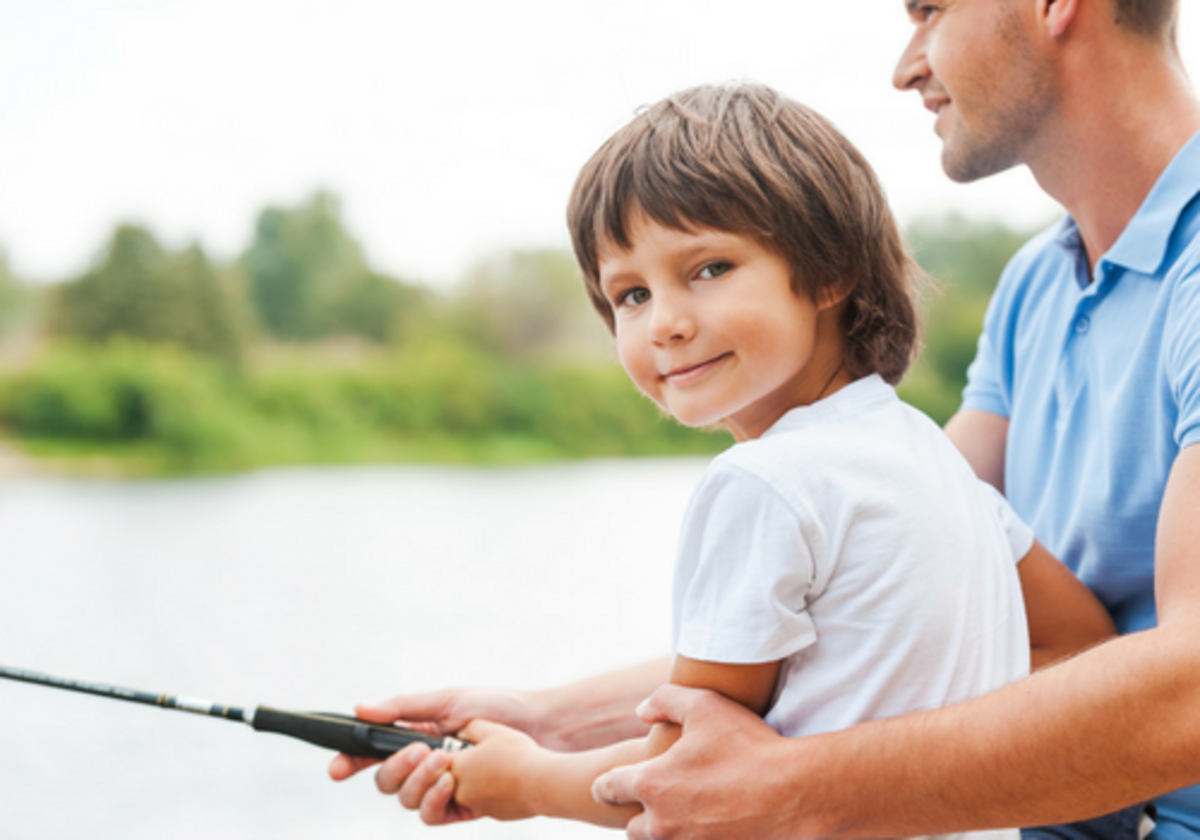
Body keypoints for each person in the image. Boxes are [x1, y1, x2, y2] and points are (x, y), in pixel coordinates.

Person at [332, 1, 1200, 839]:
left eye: (929, 8)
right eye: (629, 295)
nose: (904, 67)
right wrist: (550, 718)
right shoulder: (1018, 310)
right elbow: (872, 605)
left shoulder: (766, 480)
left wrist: (528, 780)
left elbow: (687, 783)